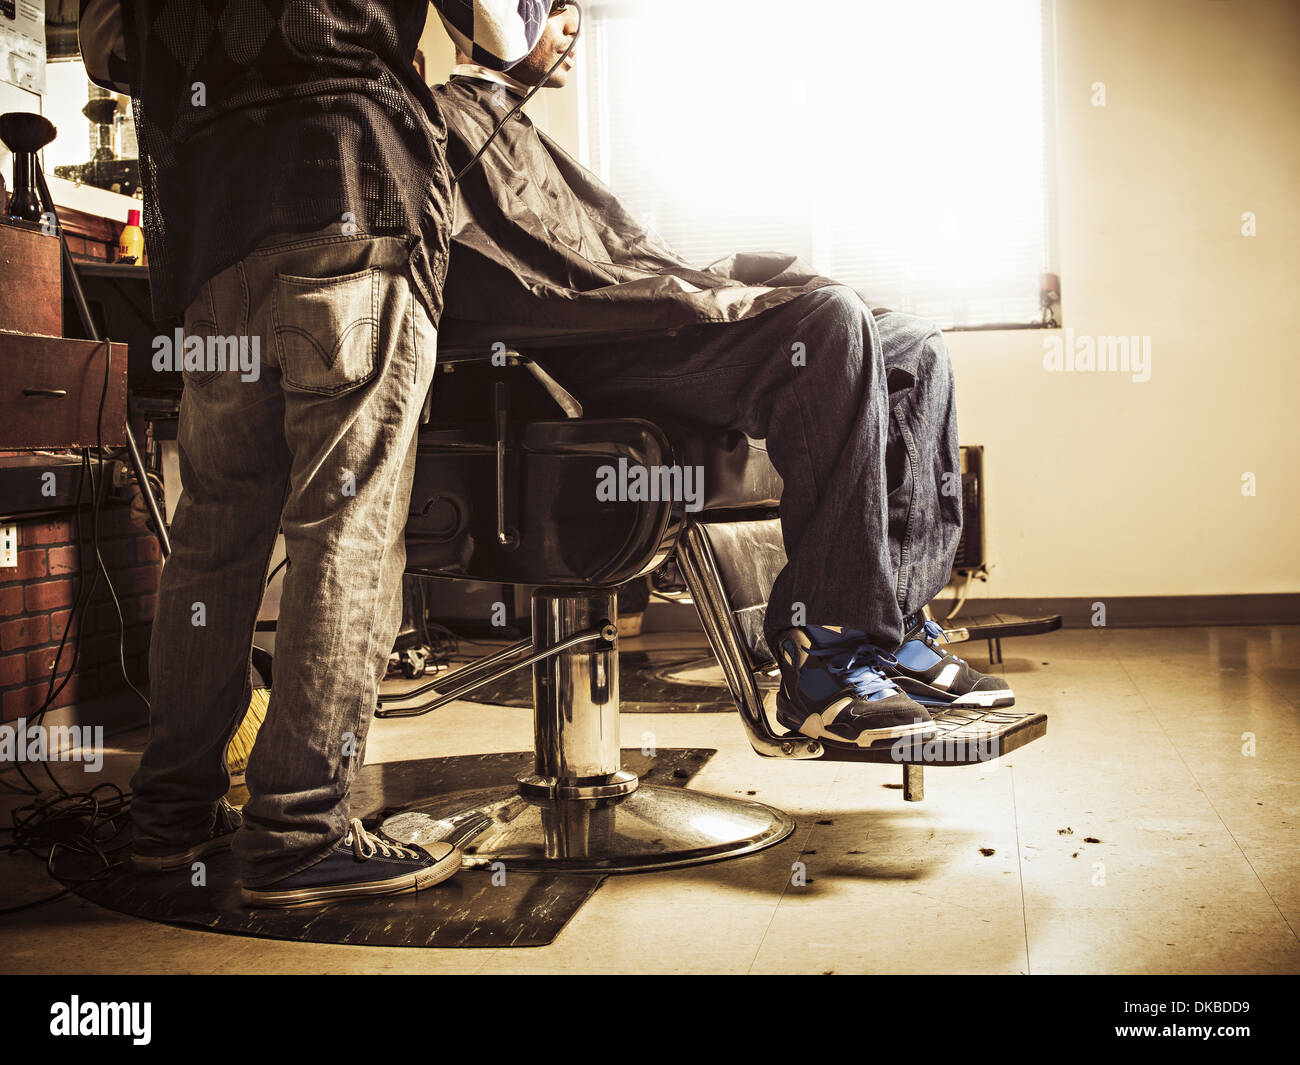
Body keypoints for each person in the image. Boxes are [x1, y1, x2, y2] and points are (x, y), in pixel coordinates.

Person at [434, 3, 1015, 753]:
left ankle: (893, 626)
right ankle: (825, 659)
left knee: (915, 345)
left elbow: (626, 262)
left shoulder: (525, 138)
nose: (574, 26)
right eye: (555, 10)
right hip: (592, 364)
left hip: (645, 327)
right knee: (830, 322)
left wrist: (706, 288)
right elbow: (520, 293)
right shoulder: (442, 127)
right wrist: (682, 302)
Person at [127, 0, 552, 907]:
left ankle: (169, 815)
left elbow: (105, 49)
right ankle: (299, 827)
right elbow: (499, 30)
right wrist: (532, 41)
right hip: (343, 188)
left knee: (212, 535)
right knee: (344, 523)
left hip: (208, 230)